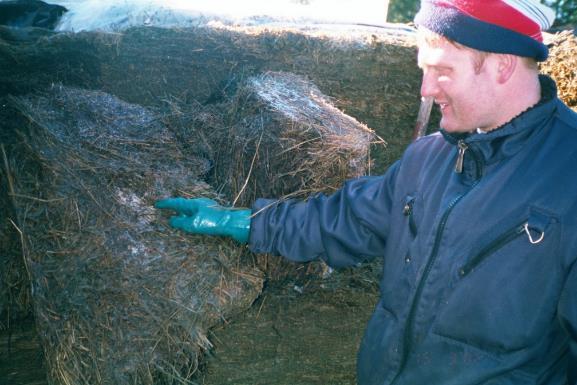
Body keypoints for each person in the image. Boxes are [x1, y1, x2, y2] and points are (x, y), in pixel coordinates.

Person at [156, 0, 577, 383]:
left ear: (503, 65)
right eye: (424, 70)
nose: (426, 90)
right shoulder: (429, 158)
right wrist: (245, 221)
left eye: (442, 71)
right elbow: (343, 220)